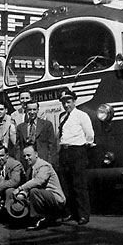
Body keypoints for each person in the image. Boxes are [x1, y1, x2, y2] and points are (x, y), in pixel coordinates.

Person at [57, 89, 94, 226]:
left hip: (77, 151)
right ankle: (71, 213)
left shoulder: (81, 115)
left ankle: (83, 215)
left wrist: (84, 146)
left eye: (68, 102)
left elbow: (89, 134)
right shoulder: (62, 116)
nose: (66, 105)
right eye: (63, 103)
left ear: (74, 101)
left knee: (79, 185)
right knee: (66, 184)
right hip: (64, 151)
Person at [13, 143, 66, 230]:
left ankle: (37, 218)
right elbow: (29, 185)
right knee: (30, 193)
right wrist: (22, 194)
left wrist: (20, 188)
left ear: (36, 154)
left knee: (34, 191)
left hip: (56, 198)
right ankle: (45, 218)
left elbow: (38, 181)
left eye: (29, 155)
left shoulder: (44, 165)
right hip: (44, 197)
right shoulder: (30, 169)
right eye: (24, 156)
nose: (26, 158)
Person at [15, 101, 56, 165]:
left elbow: (52, 145)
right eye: (29, 110)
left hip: (43, 160)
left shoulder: (47, 125)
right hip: (26, 162)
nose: (32, 112)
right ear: (26, 110)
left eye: (34, 109)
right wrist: (18, 162)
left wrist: (50, 162)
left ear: (37, 110)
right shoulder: (20, 127)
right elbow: (18, 147)